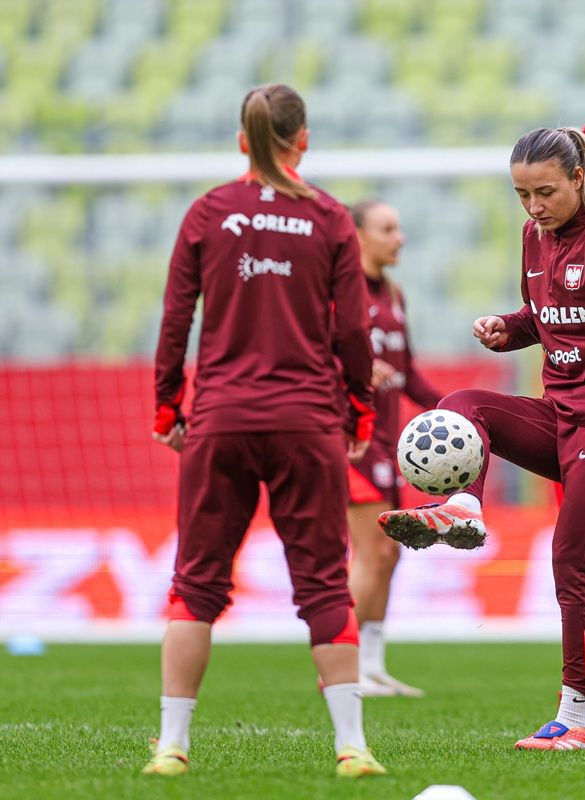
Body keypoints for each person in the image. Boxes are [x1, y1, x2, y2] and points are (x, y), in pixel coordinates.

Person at [378, 127, 585, 751]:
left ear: (578, 177)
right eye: (522, 195)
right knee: (460, 404)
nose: (534, 206)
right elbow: (547, 317)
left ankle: (574, 719)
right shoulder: (534, 237)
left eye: (545, 192)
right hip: (564, 414)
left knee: (574, 558)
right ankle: (463, 509)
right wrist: (507, 327)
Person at [145, 84, 385, 778]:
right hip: (306, 420)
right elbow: (352, 329)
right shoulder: (332, 218)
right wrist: (360, 408)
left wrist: (168, 406)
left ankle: (171, 747)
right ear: (302, 138)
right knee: (323, 582)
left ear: (242, 140)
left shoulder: (208, 212)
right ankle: (351, 746)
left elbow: (174, 320)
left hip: (220, 418)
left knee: (197, 582)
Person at [345, 199, 441, 698]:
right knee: (371, 552)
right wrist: (355, 370)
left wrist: (454, 409)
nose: (398, 237)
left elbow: (408, 373)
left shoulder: (395, 295)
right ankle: (339, 669)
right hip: (350, 444)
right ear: (358, 236)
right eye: (387, 228)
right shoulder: (339, 295)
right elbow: (311, 362)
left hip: (388, 444)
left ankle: (372, 666)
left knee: (390, 554)